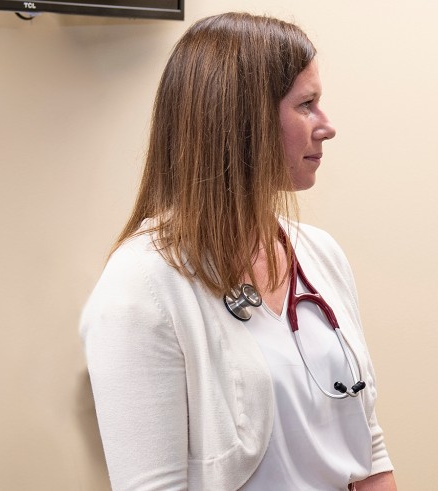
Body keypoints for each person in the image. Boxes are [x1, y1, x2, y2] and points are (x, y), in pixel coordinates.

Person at [79, 13, 396, 490]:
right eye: (306, 105)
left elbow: (367, 445)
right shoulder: (141, 287)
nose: (326, 127)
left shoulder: (319, 254)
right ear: (243, 122)